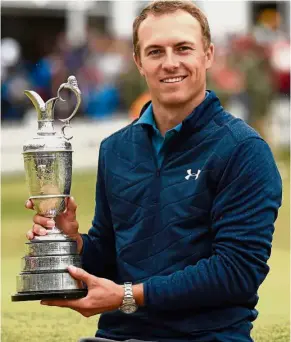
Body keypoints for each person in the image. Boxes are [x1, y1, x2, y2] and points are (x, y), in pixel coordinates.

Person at [26, 1, 282, 341]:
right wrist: (74, 243)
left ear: (208, 54)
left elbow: (237, 271)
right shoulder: (115, 148)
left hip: (208, 337)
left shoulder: (244, 150)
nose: (170, 62)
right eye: (155, 51)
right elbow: (111, 253)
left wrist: (128, 296)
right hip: (117, 336)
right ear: (139, 62)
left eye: (183, 48)